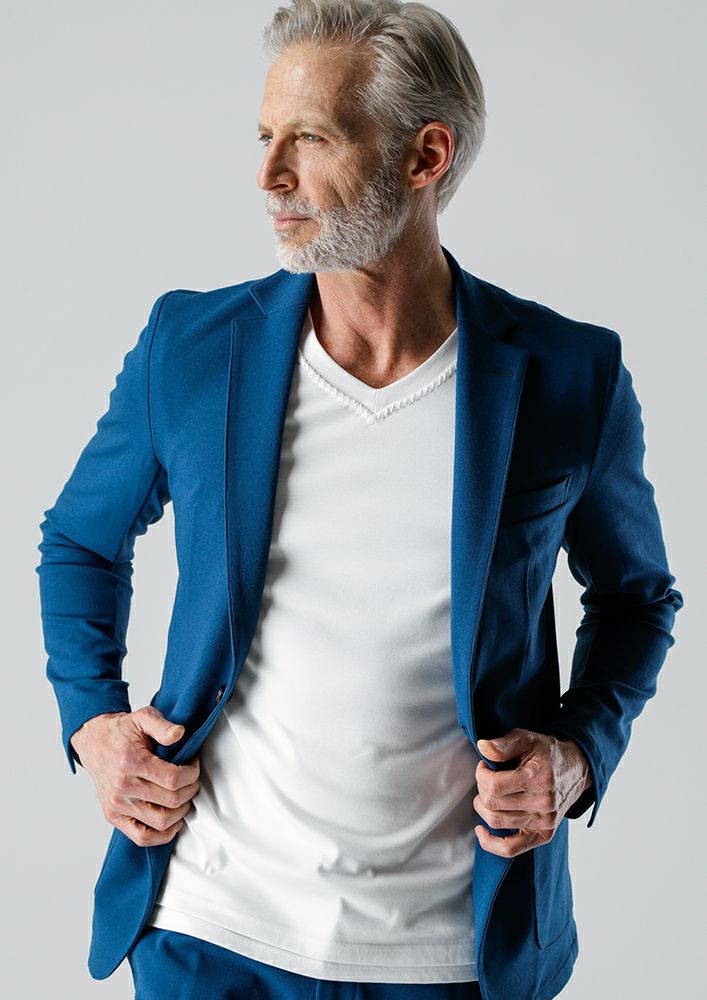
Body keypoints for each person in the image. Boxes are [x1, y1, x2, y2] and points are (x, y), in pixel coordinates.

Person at [35, 2, 684, 998]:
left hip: (450, 956)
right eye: (264, 137)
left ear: (425, 156)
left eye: (310, 138)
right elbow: (81, 539)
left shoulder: (565, 375)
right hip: (209, 932)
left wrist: (577, 753)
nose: (268, 175)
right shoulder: (192, 348)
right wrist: (93, 719)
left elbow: (636, 598)